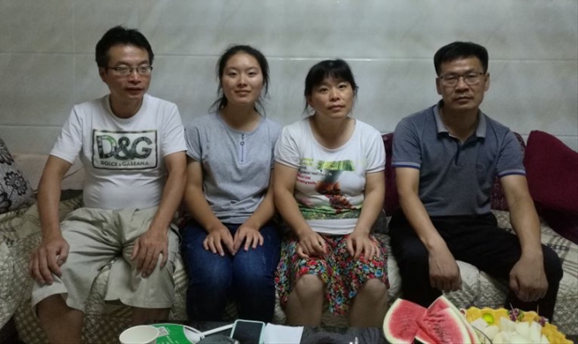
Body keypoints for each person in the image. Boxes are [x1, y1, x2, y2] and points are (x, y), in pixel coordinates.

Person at [30, 26, 187, 344]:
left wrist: (159, 229)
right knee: (51, 274)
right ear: (103, 73)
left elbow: (178, 172)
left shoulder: (165, 111)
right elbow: (51, 176)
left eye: (143, 68)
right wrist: (51, 235)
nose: (135, 77)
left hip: (147, 216)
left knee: (155, 267)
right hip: (92, 218)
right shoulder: (83, 114)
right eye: (123, 69)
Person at [389, 41, 563, 320]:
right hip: (419, 223)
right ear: (439, 85)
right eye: (451, 78)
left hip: (474, 226)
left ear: (486, 80)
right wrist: (437, 248)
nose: (461, 86)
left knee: (548, 264)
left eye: (471, 76)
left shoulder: (501, 137)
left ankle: (513, 333)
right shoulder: (412, 128)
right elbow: (407, 193)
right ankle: (424, 334)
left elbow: (519, 198)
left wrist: (532, 254)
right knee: (418, 260)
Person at [273, 59, 389, 327]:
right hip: (306, 230)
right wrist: (303, 233)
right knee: (309, 282)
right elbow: (282, 190)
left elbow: (375, 190)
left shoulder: (369, 137)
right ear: (310, 99)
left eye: (342, 86)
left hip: (355, 230)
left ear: (353, 93)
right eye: (323, 89)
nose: (334, 96)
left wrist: (362, 232)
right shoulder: (293, 135)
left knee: (373, 284)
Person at [181, 45, 282, 322]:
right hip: (205, 222)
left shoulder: (276, 134)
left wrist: (252, 224)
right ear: (221, 80)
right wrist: (214, 226)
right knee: (212, 278)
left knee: (252, 277)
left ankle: (254, 339)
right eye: (233, 73)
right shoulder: (198, 129)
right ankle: (204, 340)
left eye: (251, 73)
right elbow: (191, 188)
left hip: (259, 223)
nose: (242, 81)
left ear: (263, 80)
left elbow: (276, 192)